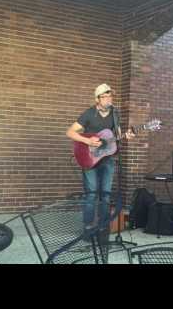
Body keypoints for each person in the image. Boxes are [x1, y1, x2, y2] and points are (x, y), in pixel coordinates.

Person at [66, 84, 135, 234]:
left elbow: (117, 135)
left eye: (110, 96)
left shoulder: (115, 114)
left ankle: (103, 226)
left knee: (105, 193)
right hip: (89, 159)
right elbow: (70, 132)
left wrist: (126, 136)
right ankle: (88, 227)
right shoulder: (89, 114)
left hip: (107, 159)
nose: (109, 99)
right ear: (97, 99)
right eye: (105, 96)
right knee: (91, 193)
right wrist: (88, 141)